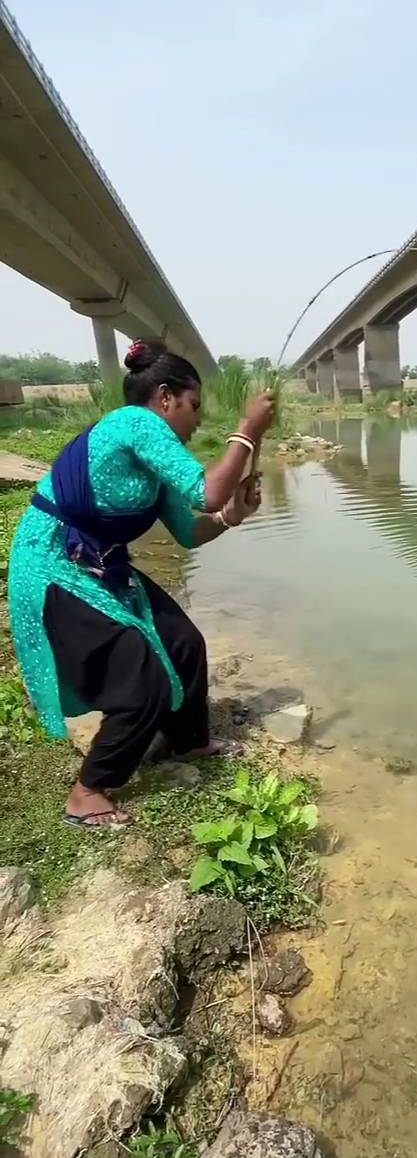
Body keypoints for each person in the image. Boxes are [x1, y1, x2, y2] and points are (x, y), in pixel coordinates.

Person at [8, 338, 274, 827]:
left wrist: (234, 513)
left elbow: (192, 530)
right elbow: (208, 489)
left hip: (100, 562)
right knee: (141, 678)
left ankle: (189, 742)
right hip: (53, 562)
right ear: (165, 397)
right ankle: (87, 793)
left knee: (183, 643)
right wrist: (248, 429)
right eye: (193, 406)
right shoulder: (135, 422)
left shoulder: (154, 461)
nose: (195, 420)